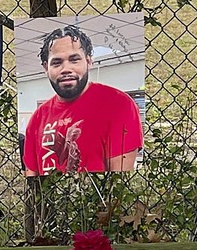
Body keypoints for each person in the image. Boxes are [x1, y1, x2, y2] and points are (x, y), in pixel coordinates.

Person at [21, 25, 143, 174]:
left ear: (89, 61)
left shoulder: (118, 104)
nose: (66, 69)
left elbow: (119, 183)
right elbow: (31, 175)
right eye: (57, 62)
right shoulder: (38, 118)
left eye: (74, 60)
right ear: (46, 67)